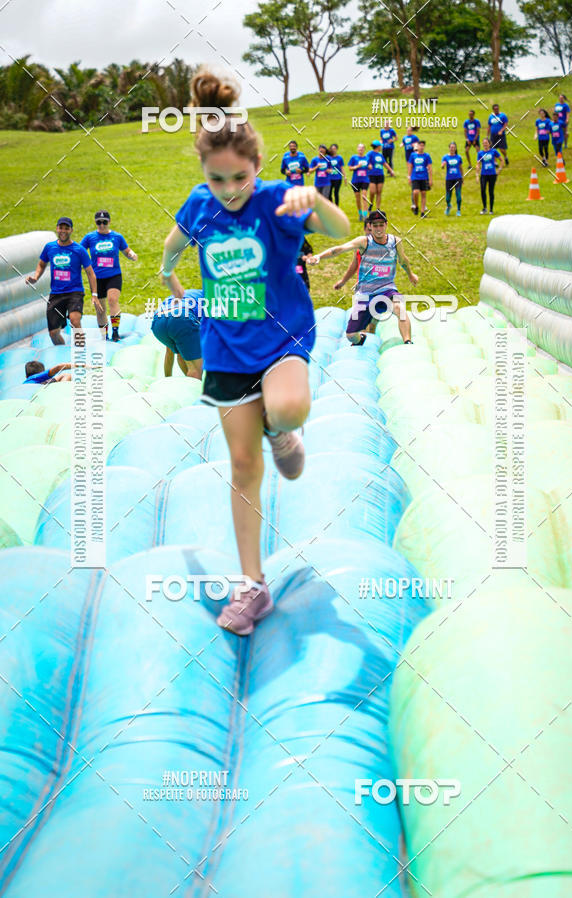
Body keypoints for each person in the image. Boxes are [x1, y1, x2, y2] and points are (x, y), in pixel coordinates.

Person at [160, 65, 349, 635]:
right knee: (244, 469)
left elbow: (341, 230)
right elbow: (174, 243)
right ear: (204, 174)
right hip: (226, 349)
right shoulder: (199, 203)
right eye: (217, 180)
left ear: (257, 167)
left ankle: (280, 426)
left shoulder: (275, 203)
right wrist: (171, 275)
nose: (229, 191)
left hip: (283, 338)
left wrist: (313, 197)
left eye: (239, 178)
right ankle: (253, 586)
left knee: (288, 407)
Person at [308, 209, 418, 346]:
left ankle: (408, 342)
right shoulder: (364, 242)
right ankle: (361, 339)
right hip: (365, 294)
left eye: (381, 224)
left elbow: (403, 260)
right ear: (369, 226)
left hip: (387, 290)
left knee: (400, 308)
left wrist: (411, 274)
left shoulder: (395, 242)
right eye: (375, 225)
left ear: (386, 224)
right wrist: (319, 256)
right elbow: (339, 249)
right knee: (350, 335)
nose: (378, 228)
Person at [25, 217, 98, 345]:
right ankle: (62, 352)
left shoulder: (79, 250)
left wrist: (94, 294)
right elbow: (42, 264)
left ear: (71, 230)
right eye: (61, 228)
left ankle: (81, 349)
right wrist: (35, 277)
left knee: (75, 321)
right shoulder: (50, 247)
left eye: (66, 228)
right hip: (56, 293)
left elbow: (90, 273)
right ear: (57, 228)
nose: (63, 231)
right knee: (53, 333)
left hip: (74, 292)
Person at [81, 211, 137, 341]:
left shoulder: (117, 237)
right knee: (100, 308)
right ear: (95, 223)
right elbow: (79, 251)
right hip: (96, 278)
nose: (101, 225)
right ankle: (104, 335)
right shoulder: (90, 237)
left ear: (109, 222)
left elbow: (126, 250)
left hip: (114, 275)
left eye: (104, 222)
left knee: (112, 300)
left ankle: (115, 332)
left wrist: (132, 255)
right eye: (99, 222)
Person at [151, 288, 205, 379]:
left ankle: (175, 381)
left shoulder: (185, 295)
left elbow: (169, 353)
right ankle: (195, 385)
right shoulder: (209, 297)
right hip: (182, 316)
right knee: (196, 369)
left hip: (158, 321)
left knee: (181, 352)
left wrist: (167, 378)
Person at [476, 137, 504, 215]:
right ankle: (484, 208)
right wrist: (477, 175)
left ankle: (491, 209)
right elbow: (478, 164)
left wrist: (499, 170)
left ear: (489, 144)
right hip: (483, 174)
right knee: (483, 190)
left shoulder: (493, 151)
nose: (485, 144)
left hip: (492, 174)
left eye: (486, 143)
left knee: (491, 191)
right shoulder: (480, 153)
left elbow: (502, 160)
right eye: (484, 143)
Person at [407, 139, 433, 218]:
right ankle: (416, 206)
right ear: (417, 146)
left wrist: (431, 179)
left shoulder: (427, 156)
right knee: (415, 192)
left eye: (422, 146)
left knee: (423, 194)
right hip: (415, 176)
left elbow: (430, 168)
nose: (421, 147)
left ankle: (422, 212)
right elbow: (410, 166)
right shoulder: (413, 155)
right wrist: (409, 176)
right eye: (420, 145)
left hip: (424, 177)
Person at [366, 140, 395, 211]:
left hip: (380, 175)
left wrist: (391, 170)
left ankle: (378, 208)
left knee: (379, 191)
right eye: (380, 146)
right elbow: (366, 161)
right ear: (378, 146)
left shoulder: (380, 155)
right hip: (372, 175)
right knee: (372, 191)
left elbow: (384, 163)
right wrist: (368, 165)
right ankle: (371, 203)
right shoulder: (370, 154)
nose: (381, 147)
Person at [347, 143, 370, 221]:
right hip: (355, 180)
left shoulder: (367, 158)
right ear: (357, 149)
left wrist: (370, 167)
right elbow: (350, 168)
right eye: (359, 148)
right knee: (357, 198)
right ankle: (360, 213)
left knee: (364, 197)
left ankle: (365, 215)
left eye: (362, 148)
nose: (361, 149)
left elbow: (370, 166)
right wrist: (357, 166)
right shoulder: (354, 158)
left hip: (365, 180)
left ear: (364, 150)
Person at [441, 142, 463, 216]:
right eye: (451, 147)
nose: (452, 149)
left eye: (453, 147)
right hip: (449, 179)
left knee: (458, 194)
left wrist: (462, 177)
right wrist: (443, 165)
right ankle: (448, 206)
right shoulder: (445, 157)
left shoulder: (458, 157)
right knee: (447, 197)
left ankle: (458, 210)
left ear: (455, 148)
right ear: (449, 148)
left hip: (458, 178)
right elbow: (442, 164)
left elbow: (461, 167)